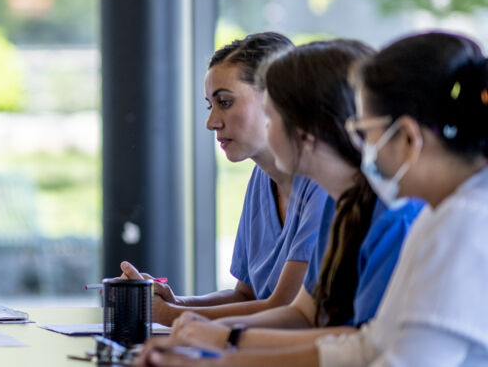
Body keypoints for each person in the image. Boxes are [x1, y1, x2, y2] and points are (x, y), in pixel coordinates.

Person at [138, 32, 488, 366]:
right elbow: (366, 344)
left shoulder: (449, 224)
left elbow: (388, 358)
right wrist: (224, 350)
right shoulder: (432, 217)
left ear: (408, 139)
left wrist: (221, 347)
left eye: (364, 132)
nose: (362, 145)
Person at [161, 40, 422, 352]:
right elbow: (303, 313)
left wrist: (221, 339)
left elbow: (367, 347)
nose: (211, 122)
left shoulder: (393, 216)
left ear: (305, 130)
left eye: (271, 117)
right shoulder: (342, 206)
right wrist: (199, 329)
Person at [121, 32, 332, 326]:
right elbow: (246, 296)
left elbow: (285, 308)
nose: (211, 122)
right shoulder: (261, 179)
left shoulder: (324, 184)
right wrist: (175, 302)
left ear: (278, 98)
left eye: (226, 102)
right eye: (210, 105)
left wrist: (168, 315)